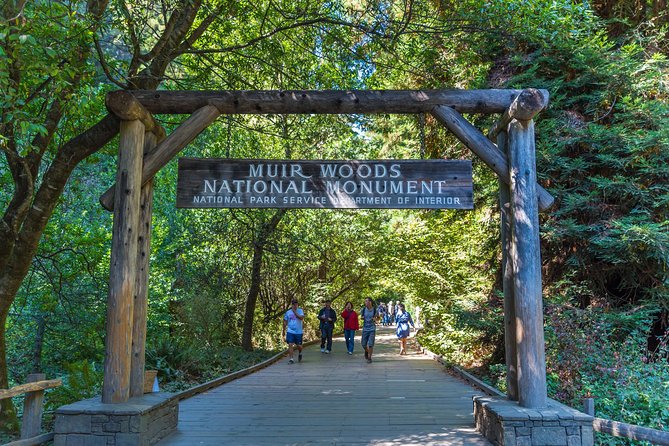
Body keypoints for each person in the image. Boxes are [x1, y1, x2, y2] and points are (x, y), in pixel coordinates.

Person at [282, 298, 305, 364]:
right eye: (293, 304)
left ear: (297, 304)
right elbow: (285, 321)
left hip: (298, 332)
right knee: (290, 344)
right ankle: (291, 359)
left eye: (296, 304)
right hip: (290, 331)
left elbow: (301, 318)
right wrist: (283, 330)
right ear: (292, 305)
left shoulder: (300, 311)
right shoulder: (288, 312)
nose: (295, 305)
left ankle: (300, 352)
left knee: (299, 346)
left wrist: (294, 312)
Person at [360, 298, 379, 363]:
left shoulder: (374, 310)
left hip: (372, 328)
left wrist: (375, 319)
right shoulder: (363, 309)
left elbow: (378, 318)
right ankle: (367, 351)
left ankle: (369, 357)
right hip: (365, 328)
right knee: (363, 344)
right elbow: (361, 317)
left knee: (370, 344)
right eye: (365, 301)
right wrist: (362, 318)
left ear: (370, 302)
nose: (365, 302)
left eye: (366, 301)